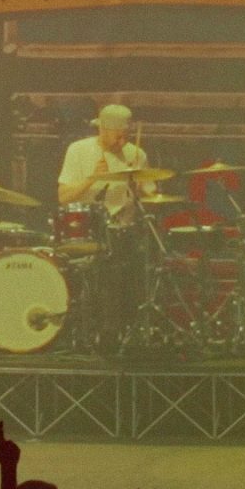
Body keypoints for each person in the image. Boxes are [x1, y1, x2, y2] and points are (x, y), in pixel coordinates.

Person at [58, 103, 159, 352]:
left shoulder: (136, 154)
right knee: (106, 276)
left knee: (133, 275)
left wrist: (140, 189)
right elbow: (63, 197)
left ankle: (127, 333)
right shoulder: (78, 150)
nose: (122, 142)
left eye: (126, 135)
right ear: (102, 129)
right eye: (117, 136)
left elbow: (151, 195)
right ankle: (103, 334)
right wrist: (92, 178)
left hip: (125, 230)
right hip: (89, 231)